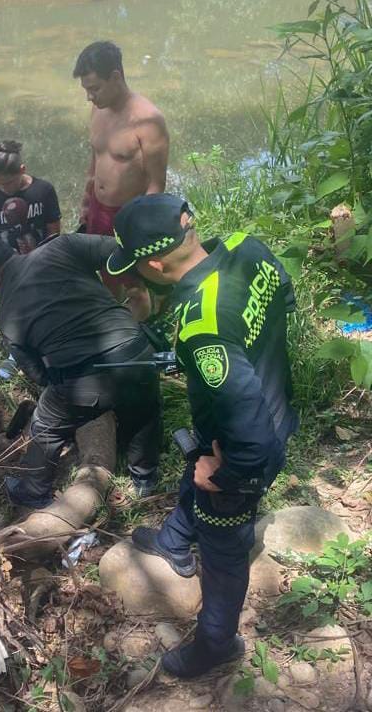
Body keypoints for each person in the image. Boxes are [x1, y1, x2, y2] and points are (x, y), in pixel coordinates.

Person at [106, 193, 299, 678]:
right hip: (275, 408)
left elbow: (248, 430)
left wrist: (230, 471)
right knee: (197, 463)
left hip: (247, 448)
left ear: (152, 262)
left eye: (135, 268)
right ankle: (174, 541)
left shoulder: (202, 327)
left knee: (223, 548)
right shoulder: (244, 246)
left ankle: (216, 645)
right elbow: (286, 295)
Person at [0, 235, 162, 508]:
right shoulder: (62, 246)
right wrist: (137, 285)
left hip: (85, 380)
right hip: (137, 351)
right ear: (12, 252)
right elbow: (115, 250)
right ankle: (145, 479)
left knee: (46, 424)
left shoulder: (6, 314)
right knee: (144, 410)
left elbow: (38, 374)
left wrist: (65, 387)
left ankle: (33, 490)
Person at [73, 41, 169, 310]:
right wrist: (85, 201)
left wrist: (142, 229)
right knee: (103, 273)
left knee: (133, 282)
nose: (89, 97)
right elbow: (96, 157)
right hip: (97, 208)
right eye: (86, 90)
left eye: (94, 88)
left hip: (128, 215)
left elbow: (156, 183)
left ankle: (139, 333)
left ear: (116, 77)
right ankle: (110, 322)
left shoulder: (148, 121)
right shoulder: (98, 110)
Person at [0, 140, 61, 246]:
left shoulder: (44, 190)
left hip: (39, 255)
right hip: (4, 257)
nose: (3, 188)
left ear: (22, 170)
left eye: (8, 183)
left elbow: (54, 233)